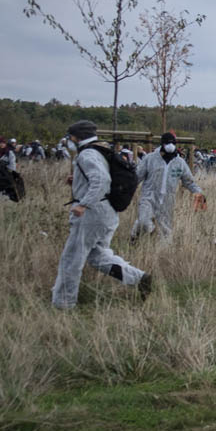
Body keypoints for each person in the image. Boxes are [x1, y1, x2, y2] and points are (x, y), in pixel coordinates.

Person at [51, 120, 151, 309]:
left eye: (70, 137)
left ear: (77, 137)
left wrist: (83, 204)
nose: (69, 140)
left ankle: (63, 303)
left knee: (72, 258)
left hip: (92, 213)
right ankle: (139, 278)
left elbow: (101, 180)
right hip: (106, 212)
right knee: (97, 255)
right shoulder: (101, 150)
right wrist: (77, 181)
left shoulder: (87, 154)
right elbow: (101, 177)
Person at [130, 132, 204, 242]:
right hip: (149, 196)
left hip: (167, 200)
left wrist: (199, 192)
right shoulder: (150, 159)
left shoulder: (179, 163)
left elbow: (189, 182)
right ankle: (136, 236)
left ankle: (163, 250)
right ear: (162, 144)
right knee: (143, 221)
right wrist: (127, 188)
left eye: (173, 143)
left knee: (166, 231)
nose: (170, 146)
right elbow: (137, 176)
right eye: (168, 143)